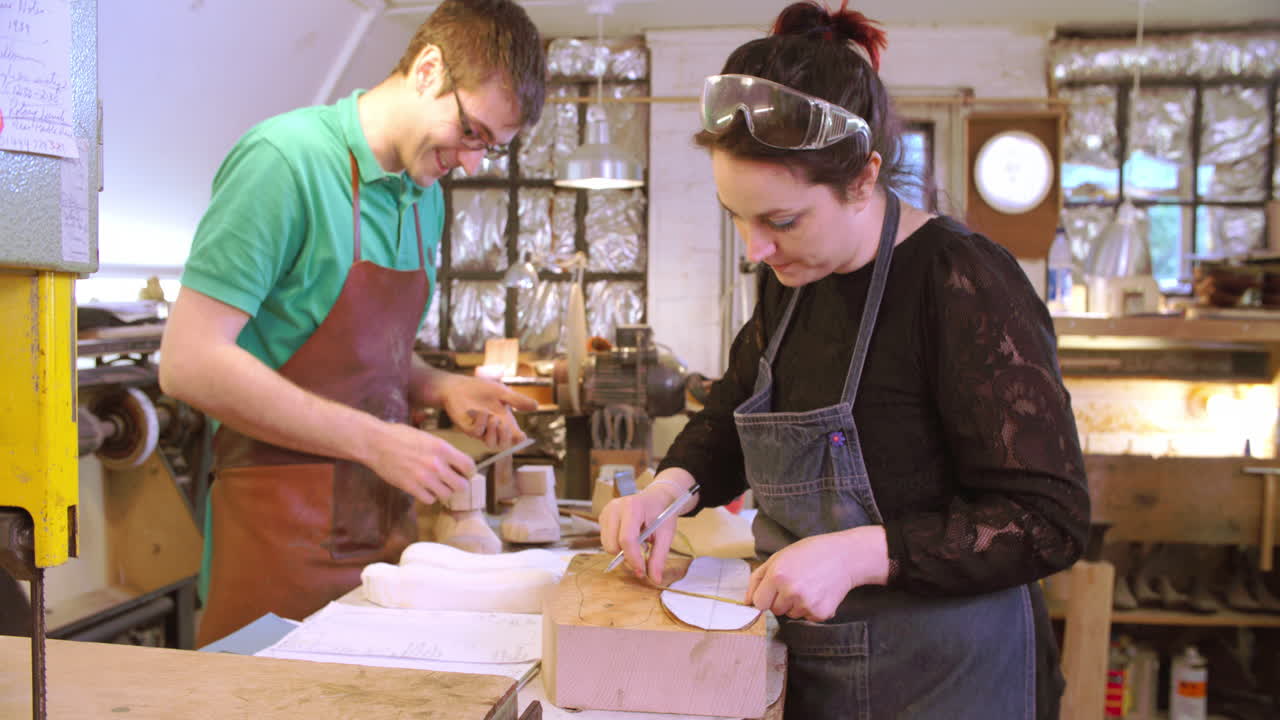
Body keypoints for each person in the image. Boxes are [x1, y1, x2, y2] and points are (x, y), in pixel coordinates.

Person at [599, 2, 1090, 717]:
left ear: (864, 178)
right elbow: (741, 408)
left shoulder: (962, 283)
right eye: (734, 215)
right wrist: (667, 489)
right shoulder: (792, 279)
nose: (754, 250)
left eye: (780, 220)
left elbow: (1050, 519)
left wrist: (860, 554)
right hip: (817, 670)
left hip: (949, 682)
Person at [159, 0, 545, 647]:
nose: (474, 161)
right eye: (473, 132)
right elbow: (189, 361)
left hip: (379, 532)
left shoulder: (425, 197)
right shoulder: (285, 163)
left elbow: (373, 356)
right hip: (274, 533)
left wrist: (441, 385)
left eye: (492, 148)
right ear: (427, 72)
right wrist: (374, 441)